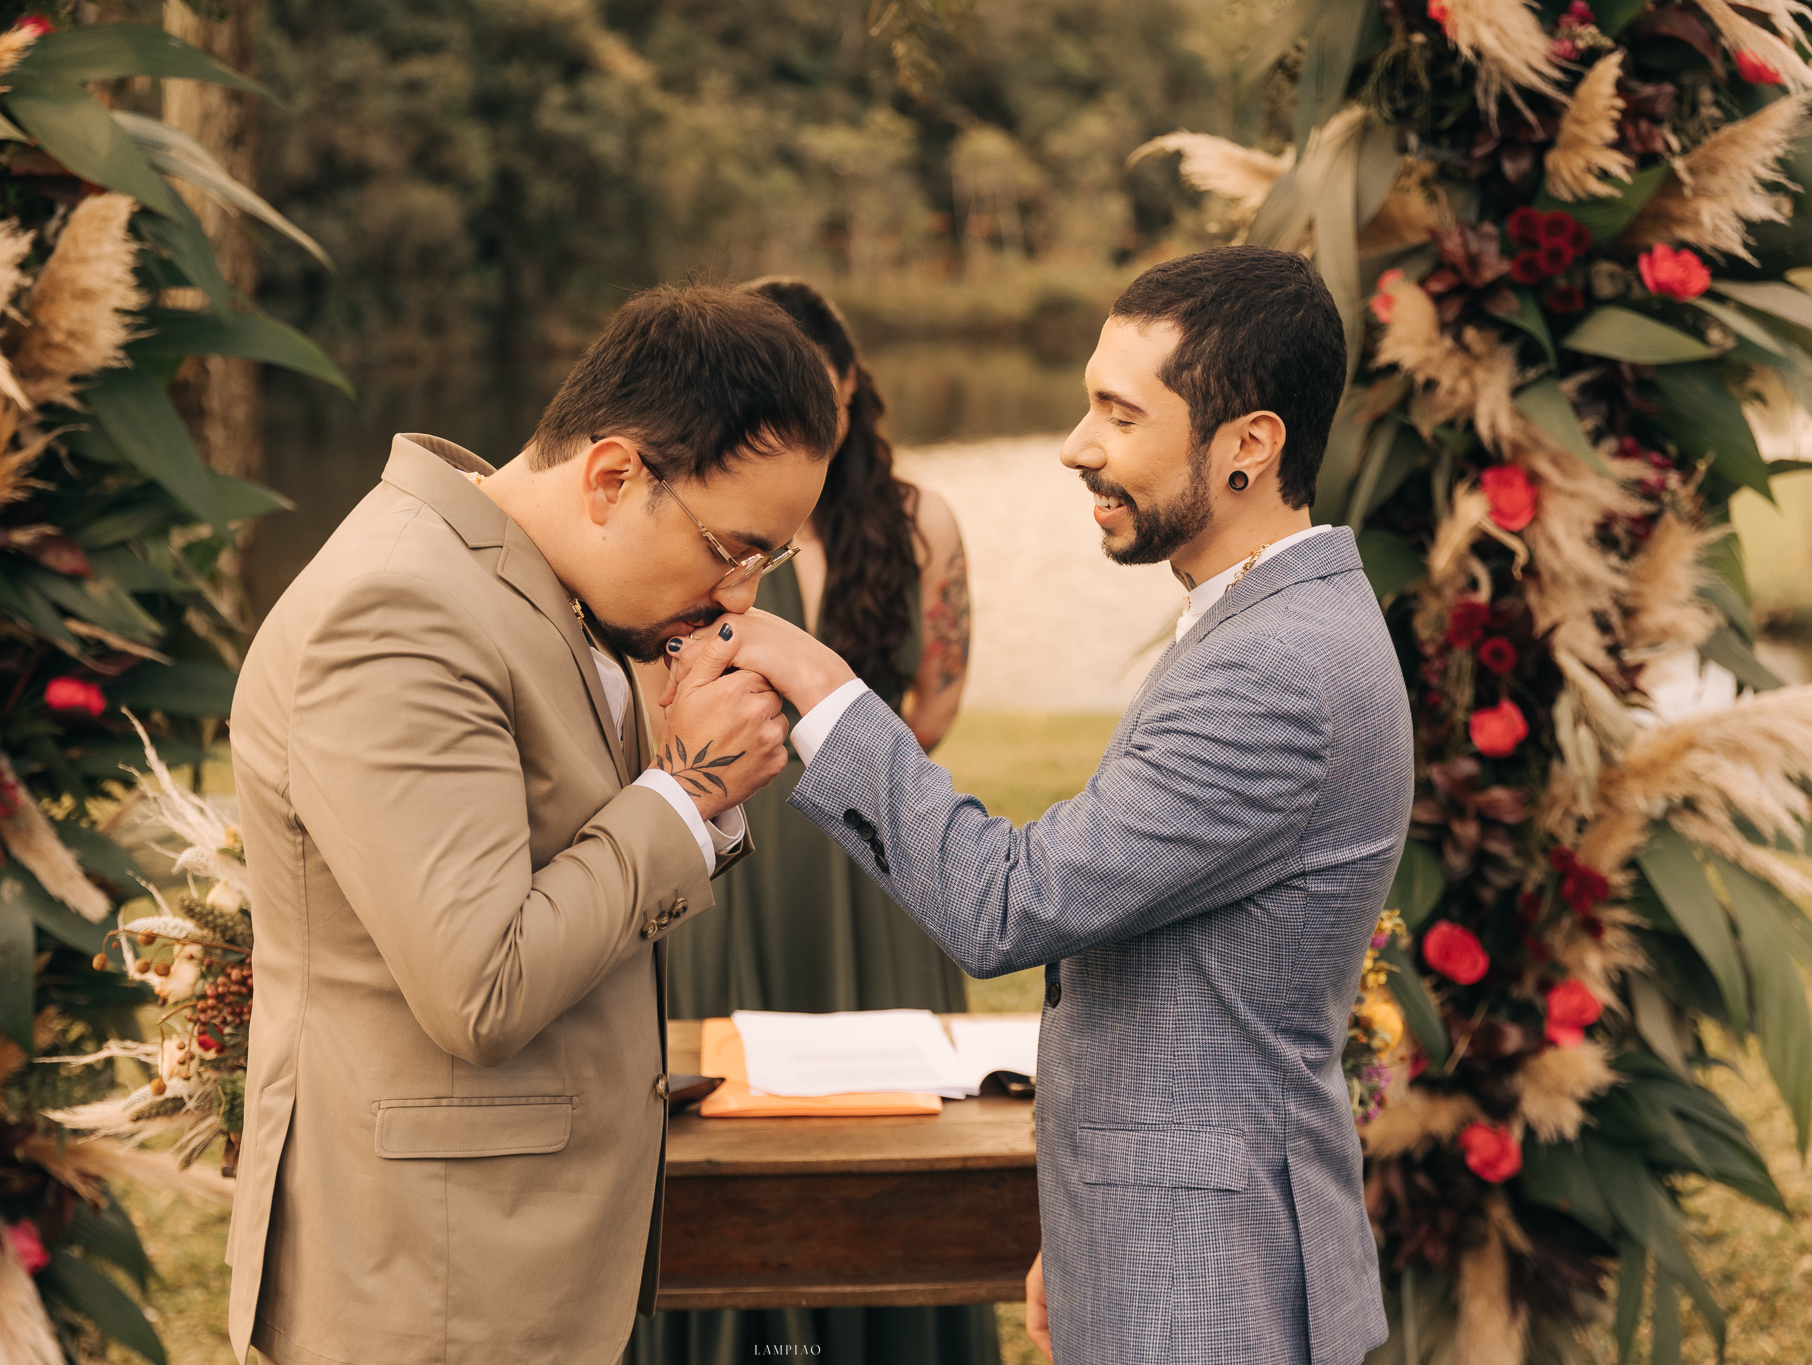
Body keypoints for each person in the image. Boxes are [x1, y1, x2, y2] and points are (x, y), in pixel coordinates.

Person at [664, 246, 1414, 1364]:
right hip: (1159, 1230)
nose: (1077, 448)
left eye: (1119, 414)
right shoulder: (1260, 626)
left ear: (1248, 445)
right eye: (1083, 407)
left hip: (1207, 1277)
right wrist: (1085, 1226)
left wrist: (816, 681)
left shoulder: (1275, 670)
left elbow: (1006, 905)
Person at [224, 283, 841, 1365]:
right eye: (732, 548)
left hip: (519, 1259)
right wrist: (687, 794)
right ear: (611, 477)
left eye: (766, 563)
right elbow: (482, 985)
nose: (741, 596)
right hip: (433, 1290)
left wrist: (675, 765)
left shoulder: (540, 584)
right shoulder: (399, 611)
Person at [629, 279, 993, 1365]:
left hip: (874, 858)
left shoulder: (922, 520)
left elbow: (933, 707)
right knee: (725, 1129)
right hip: (727, 846)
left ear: (845, 385)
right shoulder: (699, 531)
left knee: (891, 1127)